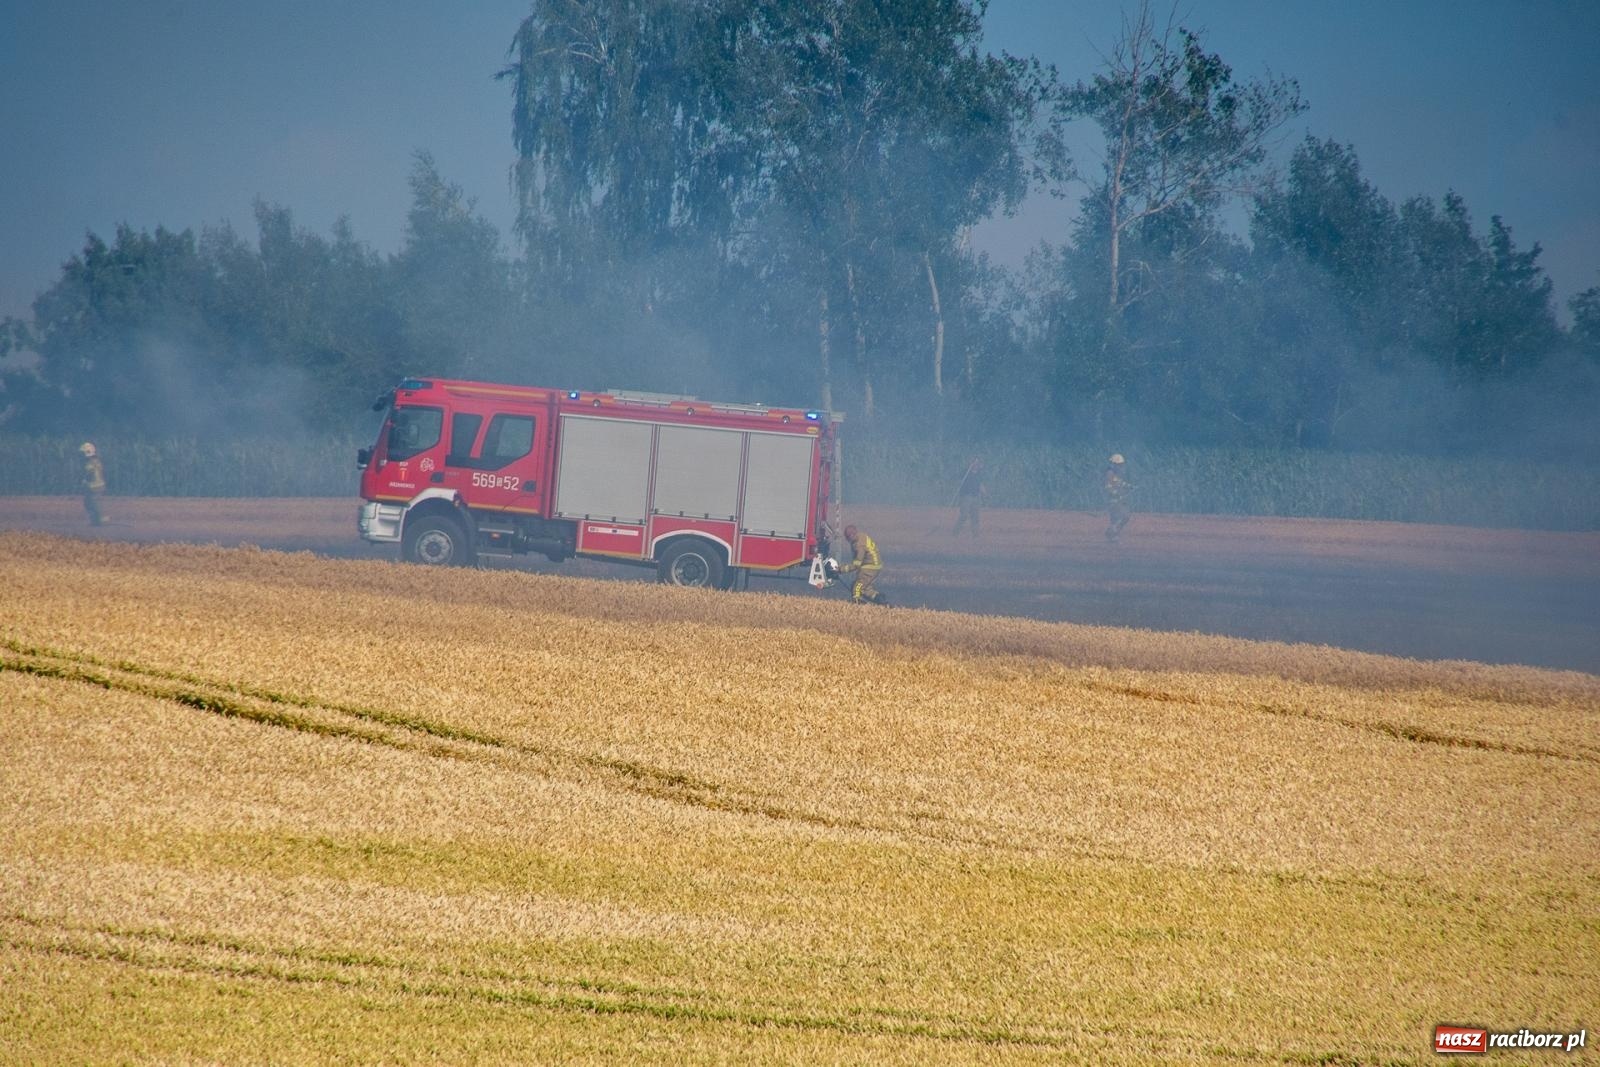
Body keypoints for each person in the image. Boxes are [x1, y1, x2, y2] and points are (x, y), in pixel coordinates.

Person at [838, 524, 885, 604]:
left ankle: (857, 601)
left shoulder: (859, 545)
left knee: (857, 587)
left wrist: (840, 569)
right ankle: (878, 598)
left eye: (847, 537)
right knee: (865, 588)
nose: (847, 540)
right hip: (875, 565)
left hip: (870, 566)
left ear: (851, 535)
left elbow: (856, 564)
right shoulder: (861, 536)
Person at [952, 456, 988, 538]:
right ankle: (955, 532)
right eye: (975, 463)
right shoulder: (965, 472)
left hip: (976, 497)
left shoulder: (979, 473)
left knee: (975, 516)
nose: (977, 465)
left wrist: (985, 493)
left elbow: (980, 484)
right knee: (964, 515)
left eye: (978, 464)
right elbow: (958, 481)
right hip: (966, 496)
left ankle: (975, 535)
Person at [1103, 453, 1132, 542]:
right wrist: (1116, 494)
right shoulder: (1109, 473)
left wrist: (1129, 486)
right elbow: (1107, 487)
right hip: (1113, 500)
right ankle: (1113, 536)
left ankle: (1112, 534)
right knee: (1118, 518)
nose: (1120, 467)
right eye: (1118, 465)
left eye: (1121, 465)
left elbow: (1119, 482)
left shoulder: (1115, 473)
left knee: (1124, 517)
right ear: (1113, 464)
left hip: (1119, 499)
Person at [79, 441, 107, 527]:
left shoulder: (89, 463)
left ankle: (98, 519)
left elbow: (88, 473)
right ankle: (96, 520)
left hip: (93, 485)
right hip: (100, 484)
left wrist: (84, 481)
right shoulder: (97, 461)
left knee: (91, 502)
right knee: (91, 502)